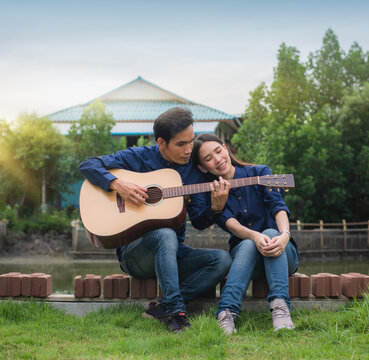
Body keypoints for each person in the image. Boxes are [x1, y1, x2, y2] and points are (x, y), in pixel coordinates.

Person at [78, 107, 231, 333]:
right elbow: (88, 164)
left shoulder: (193, 172)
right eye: (181, 144)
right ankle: (176, 313)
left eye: (191, 141)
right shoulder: (139, 157)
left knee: (222, 260)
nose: (189, 150)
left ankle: (163, 306)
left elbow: (199, 222)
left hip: (175, 253)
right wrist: (116, 183)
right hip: (136, 254)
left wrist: (215, 208)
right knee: (164, 233)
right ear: (161, 142)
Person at [190, 133, 300, 335]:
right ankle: (227, 313)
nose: (217, 159)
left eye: (218, 151)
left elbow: (278, 207)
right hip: (246, 261)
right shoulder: (213, 191)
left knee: (268, 231)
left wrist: (284, 235)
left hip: (281, 252)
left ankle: (281, 309)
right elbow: (229, 223)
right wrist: (255, 237)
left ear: (225, 148)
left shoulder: (260, 172)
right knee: (249, 243)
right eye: (208, 159)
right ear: (203, 168)